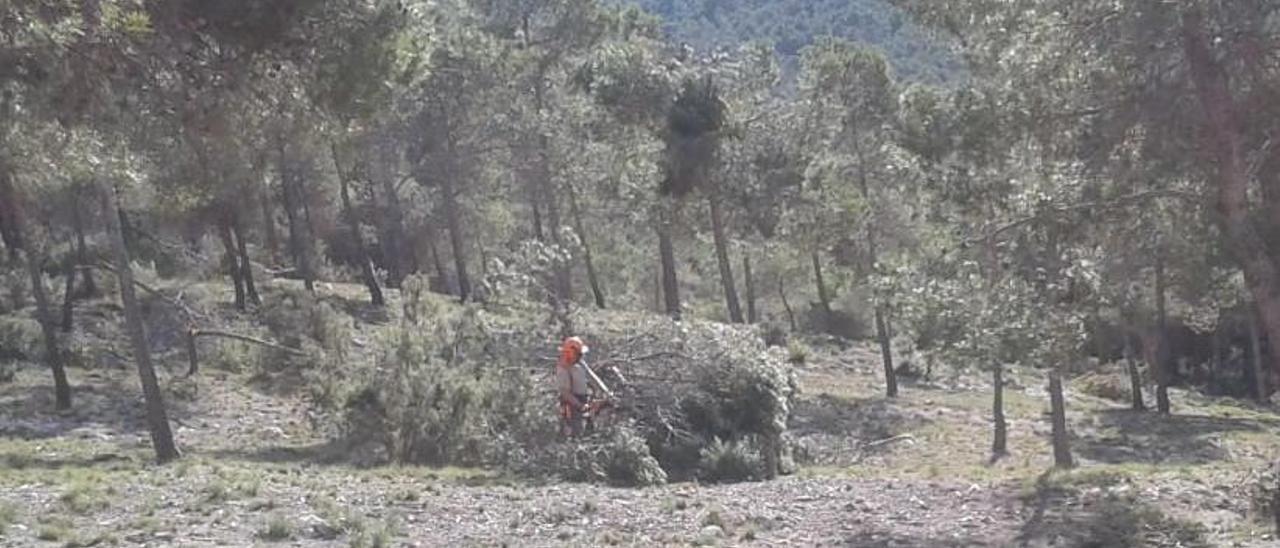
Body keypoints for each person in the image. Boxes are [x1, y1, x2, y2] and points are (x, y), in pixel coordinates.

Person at [556, 336, 595, 436]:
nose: (580, 356)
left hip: (582, 401)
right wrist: (580, 406)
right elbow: (565, 393)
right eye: (578, 354)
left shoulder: (578, 364)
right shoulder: (563, 369)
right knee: (576, 434)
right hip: (572, 406)